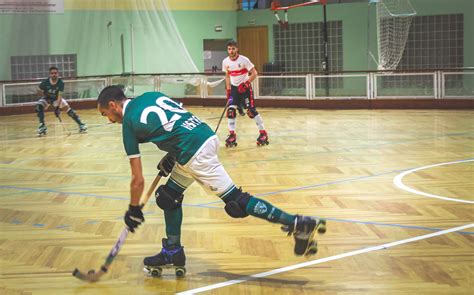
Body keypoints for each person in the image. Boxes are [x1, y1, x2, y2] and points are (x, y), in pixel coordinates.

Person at [96, 86, 326, 275]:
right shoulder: (151, 95)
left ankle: (299, 224)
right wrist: (172, 152)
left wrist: (133, 209)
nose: (108, 120)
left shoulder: (127, 124)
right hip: (203, 136)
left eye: (105, 114)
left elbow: (137, 180)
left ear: (113, 106)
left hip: (193, 153)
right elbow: (176, 121)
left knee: (236, 202)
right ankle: (173, 251)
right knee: (168, 197)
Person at [222, 40, 269, 147]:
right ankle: (232, 134)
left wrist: (246, 83)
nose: (231, 51)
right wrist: (228, 90)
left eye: (233, 48)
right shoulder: (225, 62)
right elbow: (227, 76)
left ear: (237, 49)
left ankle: (263, 133)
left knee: (251, 111)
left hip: (245, 89)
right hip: (234, 90)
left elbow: (254, 73)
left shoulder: (244, 60)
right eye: (229, 49)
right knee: (230, 111)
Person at [35, 66, 87, 136]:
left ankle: (81, 124)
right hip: (47, 98)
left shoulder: (60, 83)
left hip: (56, 99)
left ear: (58, 74)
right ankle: (42, 126)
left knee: (69, 110)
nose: (54, 74)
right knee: (39, 106)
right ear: (50, 74)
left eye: (55, 73)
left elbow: (59, 95)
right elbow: (38, 91)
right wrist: (44, 96)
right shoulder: (45, 82)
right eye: (52, 73)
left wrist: (57, 108)